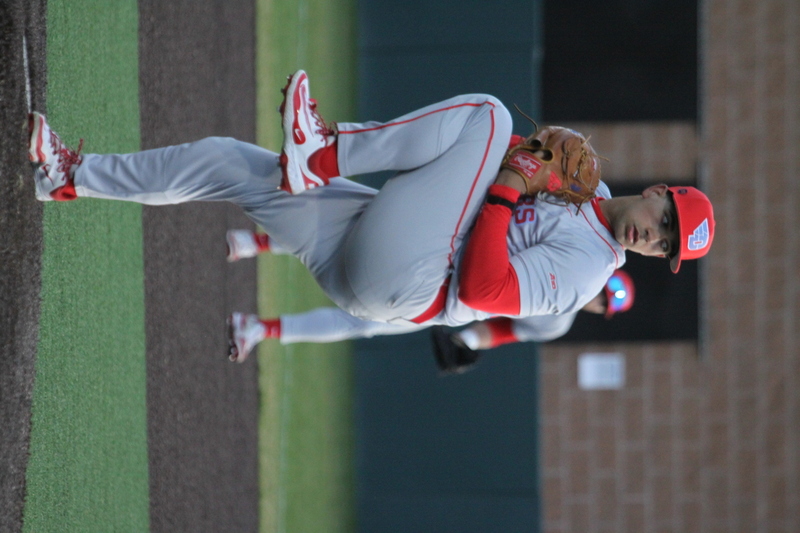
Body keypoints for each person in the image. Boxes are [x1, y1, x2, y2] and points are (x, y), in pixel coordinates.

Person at [27, 70, 715, 363]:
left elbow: (483, 289)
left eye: (666, 247)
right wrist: (520, 161)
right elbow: (476, 174)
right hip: (370, 245)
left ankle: (322, 153)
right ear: (658, 191)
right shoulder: (586, 189)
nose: (654, 238)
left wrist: (510, 177)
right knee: (228, 162)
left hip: (415, 280)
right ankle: (69, 177)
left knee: (488, 114)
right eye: (667, 221)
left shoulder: (587, 269)